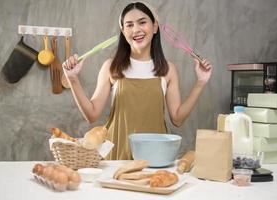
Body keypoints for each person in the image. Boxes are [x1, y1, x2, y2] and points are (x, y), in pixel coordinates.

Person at [63, 1, 212, 160]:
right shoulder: (111, 67)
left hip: (155, 156)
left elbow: (177, 118)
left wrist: (200, 82)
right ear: (123, 31)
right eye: (129, 25)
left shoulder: (168, 70)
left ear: (155, 26)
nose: (136, 30)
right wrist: (73, 79)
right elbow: (91, 115)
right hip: (117, 155)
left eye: (142, 22)